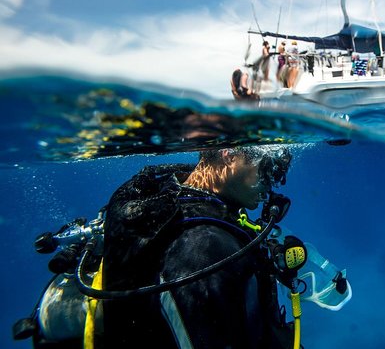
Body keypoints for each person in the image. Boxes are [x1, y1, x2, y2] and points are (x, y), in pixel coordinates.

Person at [15, 146, 351, 348]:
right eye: (268, 168)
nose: (273, 183)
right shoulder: (203, 249)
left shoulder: (180, 200)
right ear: (227, 153)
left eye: (280, 173)